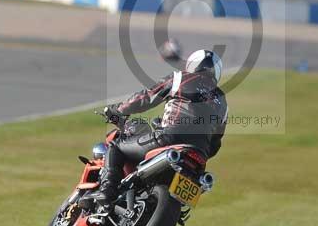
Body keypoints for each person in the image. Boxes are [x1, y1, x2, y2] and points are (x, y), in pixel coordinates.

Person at [94, 49, 228, 206]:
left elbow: (145, 97)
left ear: (193, 64)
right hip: (199, 158)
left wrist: (117, 110)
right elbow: (215, 144)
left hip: (170, 139)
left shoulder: (181, 78)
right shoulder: (222, 102)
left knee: (115, 147)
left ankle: (107, 190)